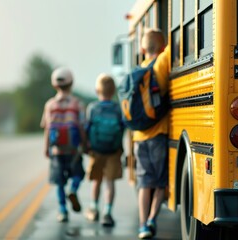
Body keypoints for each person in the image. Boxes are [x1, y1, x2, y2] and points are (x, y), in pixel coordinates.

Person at [133, 28, 170, 239]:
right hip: (158, 134)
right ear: (163, 47)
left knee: (144, 184)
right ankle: (151, 220)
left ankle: (141, 226)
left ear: (142, 49)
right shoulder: (162, 63)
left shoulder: (138, 71)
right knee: (159, 183)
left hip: (139, 137)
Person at [40, 67, 86, 222]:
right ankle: (73, 189)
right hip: (73, 150)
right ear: (71, 84)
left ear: (54, 85)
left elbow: (47, 128)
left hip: (57, 150)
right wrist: (85, 144)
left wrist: (46, 148)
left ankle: (62, 210)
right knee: (78, 174)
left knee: (59, 182)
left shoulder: (49, 105)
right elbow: (81, 126)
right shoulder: (77, 104)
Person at [84, 73, 124, 227]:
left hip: (97, 150)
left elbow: (87, 129)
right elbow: (122, 127)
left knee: (96, 181)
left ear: (96, 91)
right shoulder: (117, 108)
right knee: (110, 182)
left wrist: (86, 146)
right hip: (114, 151)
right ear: (113, 91)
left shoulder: (92, 108)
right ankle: (107, 213)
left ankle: (93, 209)